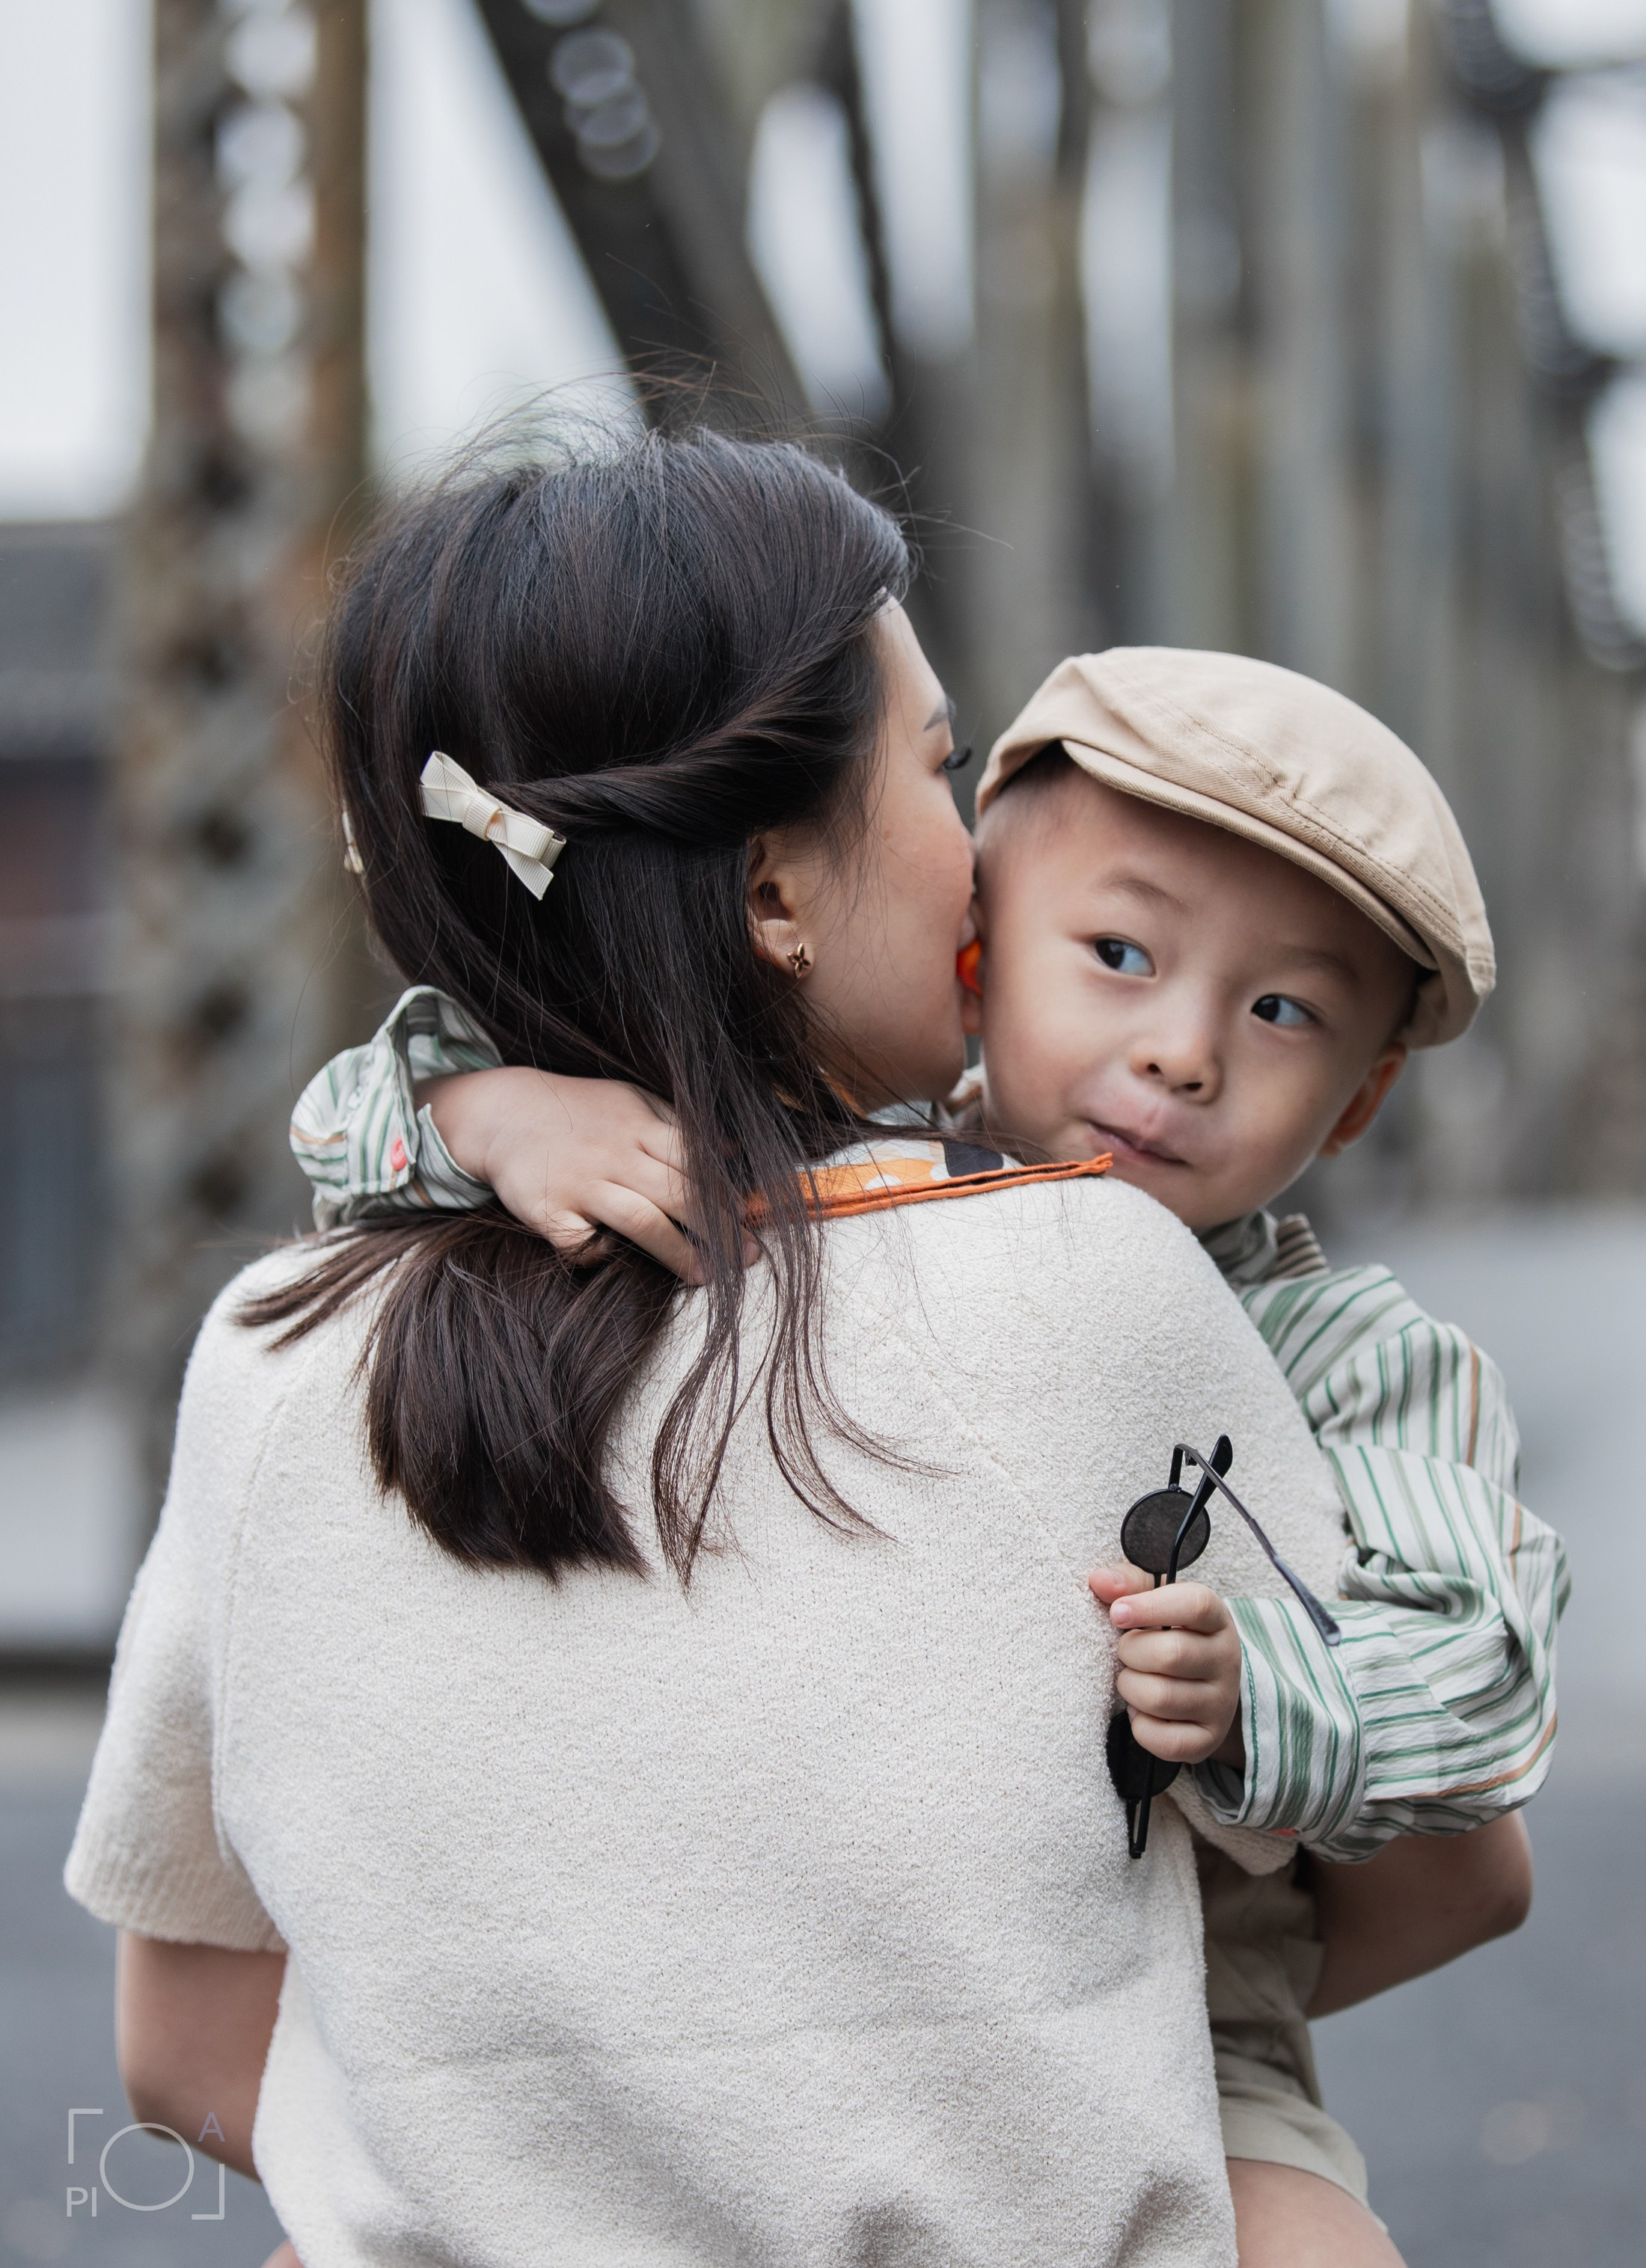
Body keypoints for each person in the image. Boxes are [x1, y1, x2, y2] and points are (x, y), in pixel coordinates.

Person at [66, 433, 1367, 2268]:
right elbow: (1431, 1867)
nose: (984, 866)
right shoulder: (1089, 1284)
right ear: (770, 896)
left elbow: (182, 2054)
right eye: (937, 770)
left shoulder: (274, 1362)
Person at [304, 646, 1566, 2265]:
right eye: (1117, 954)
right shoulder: (833, 1166)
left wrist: (1265, 1692)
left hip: (1185, 2030)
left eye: (1281, 1012)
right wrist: (490, 1116)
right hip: (811, 1995)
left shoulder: (1352, 1361)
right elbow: (343, 1137)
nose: (1183, 1050)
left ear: (1359, 1099)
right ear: (976, 953)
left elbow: (1480, 1657)